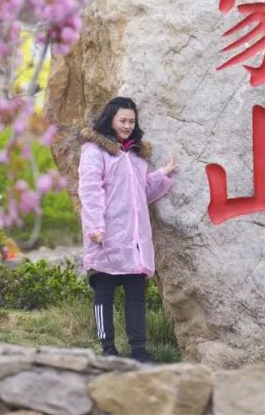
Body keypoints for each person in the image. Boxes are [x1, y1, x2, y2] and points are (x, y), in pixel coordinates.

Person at [78, 97, 177, 361]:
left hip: (133, 238)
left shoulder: (135, 155)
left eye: (131, 121)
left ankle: (139, 350)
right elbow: (90, 191)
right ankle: (108, 349)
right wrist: (95, 226)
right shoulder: (94, 151)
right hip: (107, 235)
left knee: (136, 296)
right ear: (110, 118)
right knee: (104, 294)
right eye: (122, 120)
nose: (127, 126)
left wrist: (162, 175)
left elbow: (140, 192)